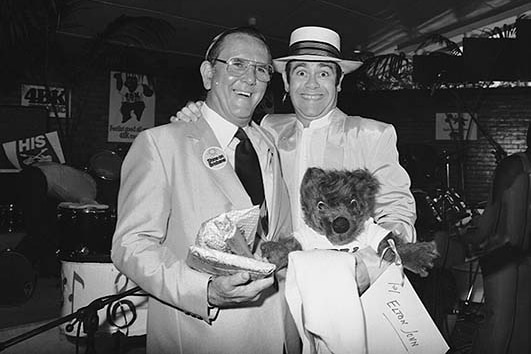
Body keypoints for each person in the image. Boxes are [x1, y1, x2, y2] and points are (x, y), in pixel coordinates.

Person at [111, 27, 299, 354]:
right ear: (208, 73)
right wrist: (206, 291)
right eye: (237, 64)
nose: (250, 78)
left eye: (261, 69)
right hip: (205, 334)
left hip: (279, 332)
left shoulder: (267, 144)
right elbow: (131, 245)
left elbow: (280, 232)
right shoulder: (160, 144)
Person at [173, 26, 417, 244]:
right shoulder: (268, 131)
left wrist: (366, 266)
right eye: (301, 73)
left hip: (347, 281)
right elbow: (220, 133)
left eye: (324, 74)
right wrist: (196, 116)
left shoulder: (370, 135)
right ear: (287, 82)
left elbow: (398, 214)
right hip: (279, 281)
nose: (311, 84)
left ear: (339, 82)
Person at [466, 123, 531, 354]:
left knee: (521, 327)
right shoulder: (514, 166)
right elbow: (496, 221)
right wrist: (474, 240)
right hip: (502, 252)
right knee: (500, 327)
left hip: (522, 253)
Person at [15, 161, 99, 276]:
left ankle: (28, 264)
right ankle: (19, 264)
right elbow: (89, 207)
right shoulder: (90, 188)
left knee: (40, 227)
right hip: (37, 179)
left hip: (28, 175)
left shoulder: (66, 171)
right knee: (40, 231)